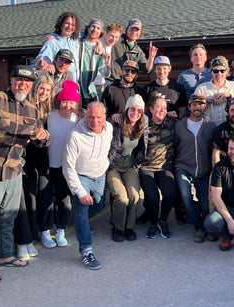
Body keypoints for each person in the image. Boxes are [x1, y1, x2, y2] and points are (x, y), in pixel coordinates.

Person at [0, 66, 49, 282]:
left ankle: (4, 255)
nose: (22, 84)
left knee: (8, 217)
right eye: (18, 79)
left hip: (14, 170)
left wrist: (43, 136)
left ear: (31, 86)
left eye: (27, 81)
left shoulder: (33, 110)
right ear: (11, 80)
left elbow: (40, 141)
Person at [63, 101, 112, 269]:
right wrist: (80, 191)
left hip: (99, 175)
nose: (95, 121)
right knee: (82, 207)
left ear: (105, 117)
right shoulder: (75, 136)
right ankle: (86, 250)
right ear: (85, 116)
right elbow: (68, 167)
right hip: (81, 175)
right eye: (91, 117)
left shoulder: (109, 129)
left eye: (99, 117)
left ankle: (80, 222)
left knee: (98, 204)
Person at [15, 76, 54, 260]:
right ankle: (28, 237)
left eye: (48, 90)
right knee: (29, 196)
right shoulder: (26, 106)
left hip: (44, 157)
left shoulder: (49, 109)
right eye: (41, 89)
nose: (44, 93)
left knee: (45, 194)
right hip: (27, 157)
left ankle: (45, 230)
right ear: (34, 88)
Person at [43, 80, 80, 249]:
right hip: (47, 164)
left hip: (65, 166)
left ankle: (61, 230)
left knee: (64, 200)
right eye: (64, 101)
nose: (67, 106)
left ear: (76, 103)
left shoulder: (78, 120)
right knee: (45, 199)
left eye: (71, 102)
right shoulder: (49, 115)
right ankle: (45, 231)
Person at [174, 94, 216, 242]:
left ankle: (209, 226)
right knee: (186, 196)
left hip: (204, 170)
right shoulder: (180, 125)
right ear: (189, 107)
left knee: (205, 205)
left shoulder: (210, 125)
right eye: (194, 105)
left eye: (201, 105)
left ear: (204, 107)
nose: (198, 107)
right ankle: (199, 228)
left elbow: (215, 149)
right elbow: (174, 146)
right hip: (183, 167)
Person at [107, 94, 147, 242]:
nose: (135, 113)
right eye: (132, 109)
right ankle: (118, 227)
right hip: (113, 166)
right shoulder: (115, 122)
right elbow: (100, 125)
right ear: (126, 109)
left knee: (135, 196)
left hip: (130, 165)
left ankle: (129, 227)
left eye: (139, 110)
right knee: (122, 198)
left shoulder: (142, 124)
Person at [140, 93, 178, 239]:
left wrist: (205, 118)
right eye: (158, 107)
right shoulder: (143, 124)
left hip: (165, 167)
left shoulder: (173, 122)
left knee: (169, 193)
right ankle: (153, 223)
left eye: (164, 107)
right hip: (147, 167)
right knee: (152, 197)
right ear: (150, 109)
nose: (162, 110)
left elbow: (190, 121)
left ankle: (163, 221)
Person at [194, 56, 234, 126]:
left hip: (229, 127)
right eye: (215, 71)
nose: (219, 74)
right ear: (211, 72)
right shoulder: (201, 88)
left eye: (222, 71)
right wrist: (207, 99)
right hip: (207, 127)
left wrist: (229, 96)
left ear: (227, 71)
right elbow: (194, 108)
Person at [36, 12, 81, 82]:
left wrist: (98, 42)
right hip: (59, 85)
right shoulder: (52, 41)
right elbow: (43, 58)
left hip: (75, 85)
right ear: (61, 24)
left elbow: (92, 34)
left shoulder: (76, 41)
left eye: (73, 25)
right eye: (67, 23)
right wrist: (47, 63)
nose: (70, 27)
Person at [78, 19, 111, 106]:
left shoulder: (100, 51)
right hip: (76, 91)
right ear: (88, 28)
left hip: (90, 93)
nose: (95, 30)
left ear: (101, 32)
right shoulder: (77, 43)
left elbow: (105, 74)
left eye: (98, 28)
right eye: (93, 26)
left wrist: (107, 64)